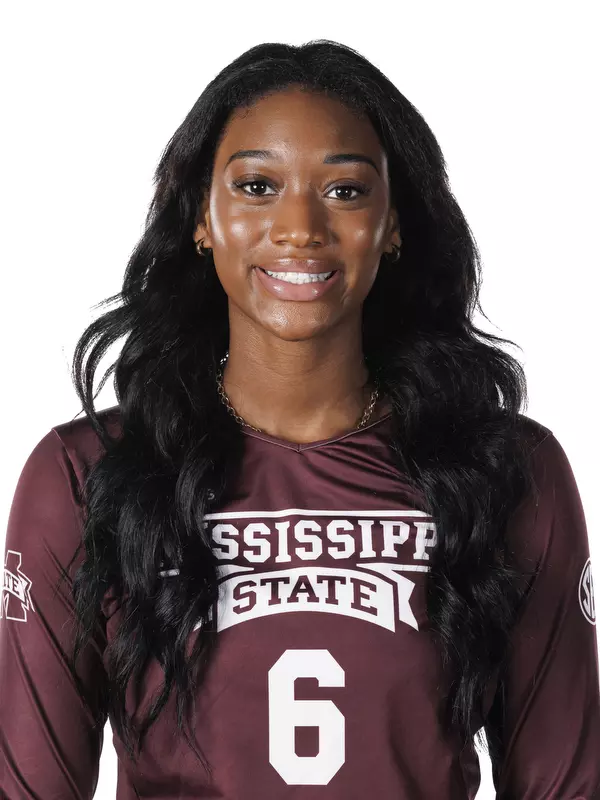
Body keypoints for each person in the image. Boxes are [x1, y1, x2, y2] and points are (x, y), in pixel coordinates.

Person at [1, 39, 599, 800]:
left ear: (394, 225)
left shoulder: (505, 472)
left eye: (346, 191)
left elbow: (566, 786)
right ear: (200, 217)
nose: (300, 228)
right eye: (256, 184)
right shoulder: (87, 476)